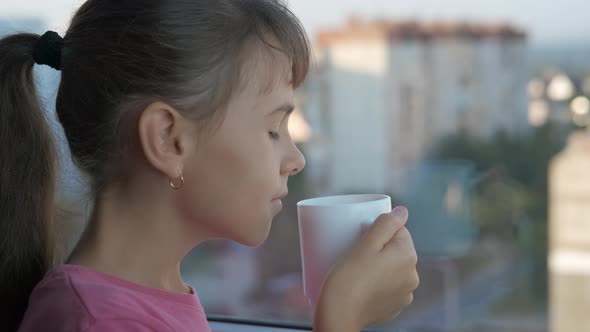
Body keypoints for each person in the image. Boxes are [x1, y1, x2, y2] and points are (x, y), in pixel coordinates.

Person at [0, 0, 419, 331]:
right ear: (169, 139)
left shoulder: (148, 298)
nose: (296, 160)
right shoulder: (100, 321)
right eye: (274, 129)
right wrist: (341, 318)